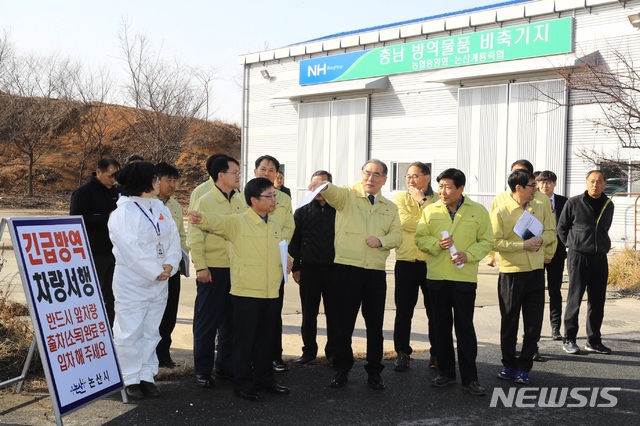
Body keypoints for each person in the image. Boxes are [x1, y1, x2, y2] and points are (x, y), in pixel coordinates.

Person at [188, 177, 292, 402]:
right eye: (269, 196)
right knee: (244, 341)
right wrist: (201, 217)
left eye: (274, 195)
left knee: (266, 339)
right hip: (246, 292)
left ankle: (265, 379)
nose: (274, 199)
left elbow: (281, 248)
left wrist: (289, 259)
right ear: (254, 200)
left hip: (271, 290)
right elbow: (217, 222)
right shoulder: (238, 222)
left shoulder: (274, 224)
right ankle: (242, 383)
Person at [322, 159, 402, 390]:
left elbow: (397, 236)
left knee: (375, 327)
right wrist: (323, 186)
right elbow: (331, 193)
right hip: (347, 270)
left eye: (377, 174)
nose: (371, 178)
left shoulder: (390, 207)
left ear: (384, 180)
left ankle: (375, 372)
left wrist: (382, 241)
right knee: (343, 325)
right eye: (367, 173)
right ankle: (341, 370)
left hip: (375, 273)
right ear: (362, 174)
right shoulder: (347, 195)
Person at [415, 168, 493, 396]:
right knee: (441, 327)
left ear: (461, 188)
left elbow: (487, 240)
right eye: (440, 186)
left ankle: (471, 379)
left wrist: (468, 254)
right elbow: (420, 238)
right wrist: (435, 244)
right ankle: (445, 373)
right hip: (437, 277)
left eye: (448, 186)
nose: (443, 191)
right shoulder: (430, 211)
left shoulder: (478, 211)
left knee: (465, 328)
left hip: (463, 278)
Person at [108, 161, 182, 400]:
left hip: (160, 280)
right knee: (129, 332)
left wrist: (170, 264)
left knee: (152, 330)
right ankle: (129, 378)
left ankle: (147, 375)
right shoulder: (123, 213)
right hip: (133, 281)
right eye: (155, 178)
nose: (159, 182)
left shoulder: (160, 207)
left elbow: (173, 239)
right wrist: (154, 270)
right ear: (143, 182)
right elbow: (130, 248)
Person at [491, 169, 556, 385]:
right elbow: (494, 241)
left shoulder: (541, 203)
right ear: (519, 188)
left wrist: (540, 242)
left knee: (533, 323)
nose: (536, 189)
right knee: (509, 322)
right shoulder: (501, 208)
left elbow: (551, 231)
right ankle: (508, 364)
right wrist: (523, 245)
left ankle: (524, 366)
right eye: (531, 185)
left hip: (536, 272)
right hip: (511, 273)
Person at [188, 154, 246, 388]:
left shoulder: (241, 200)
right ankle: (202, 369)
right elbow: (195, 236)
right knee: (207, 322)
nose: (238, 176)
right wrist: (200, 266)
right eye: (235, 172)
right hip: (212, 269)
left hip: (236, 268)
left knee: (231, 322)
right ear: (221, 175)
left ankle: (225, 365)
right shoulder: (205, 200)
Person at [557, 170, 614, 355]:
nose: (595, 185)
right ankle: (569, 339)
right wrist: (573, 245)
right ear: (586, 183)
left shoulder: (608, 204)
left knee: (597, 301)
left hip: (600, 257)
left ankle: (594, 340)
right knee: (574, 299)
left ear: (605, 184)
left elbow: (604, 229)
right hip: (578, 256)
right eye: (592, 181)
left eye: (599, 181)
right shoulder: (573, 202)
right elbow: (562, 228)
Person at [288, 170, 337, 365]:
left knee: (334, 314)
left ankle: (333, 352)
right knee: (309, 314)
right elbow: (295, 242)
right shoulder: (302, 211)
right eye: (315, 185)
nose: (319, 189)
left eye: (323, 185)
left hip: (334, 271)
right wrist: (296, 268)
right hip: (309, 271)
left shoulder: (339, 211)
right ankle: (308, 351)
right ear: (310, 187)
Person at [392, 162, 437, 372]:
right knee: (403, 311)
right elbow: (404, 222)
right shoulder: (400, 198)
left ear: (427, 177)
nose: (410, 180)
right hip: (406, 262)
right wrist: (426, 219)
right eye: (408, 176)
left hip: (432, 262)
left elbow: (438, 224)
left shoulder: (438, 200)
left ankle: (437, 353)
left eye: (415, 176)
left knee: (435, 311)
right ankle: (402, 353)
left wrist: (423, 202)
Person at [253, 155, 295, 372]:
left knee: (272, 311)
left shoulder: (284, 199)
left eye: (271, 170)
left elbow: (289, 228)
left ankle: (274, 356)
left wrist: (286, 256)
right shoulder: (245, 196)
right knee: (250, 313)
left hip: (274, 262)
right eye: (263, 168)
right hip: (251, 263)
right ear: (255, 171)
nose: (267, 173)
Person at [69, 158, 122, 326]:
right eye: (110, 176)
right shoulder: (84, 192)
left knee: (112, 295)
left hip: (114, 252)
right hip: (93, 252)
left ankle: (110, 330)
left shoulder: (116, 192)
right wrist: (106, 219)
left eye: (116, 176)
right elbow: (76, 220)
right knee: (92, 294)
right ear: (98, 172)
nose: (113, 180)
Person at [154, 162, 188, 369]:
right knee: (153, 313)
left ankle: (164, 352)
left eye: (175, 180)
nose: (173, 184)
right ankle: (152, 355)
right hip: (153, 270)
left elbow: (181, 236)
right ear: (156, 181)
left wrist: (182, 258)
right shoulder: (146, 204)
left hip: (172, 268)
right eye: (169, 179)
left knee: (170, 311)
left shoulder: (174, 206)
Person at [536, 170, 568, 341]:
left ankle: (555, 327)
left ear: (554, 183)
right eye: (541, 182)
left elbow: (570, 225)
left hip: (557, 252)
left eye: (548, 182)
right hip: (537, 251)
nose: (545, 185)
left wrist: (566, 243)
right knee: (536, 292)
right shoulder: (532, 201)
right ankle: (535, 328)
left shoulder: (564, 202)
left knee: (555, 290)